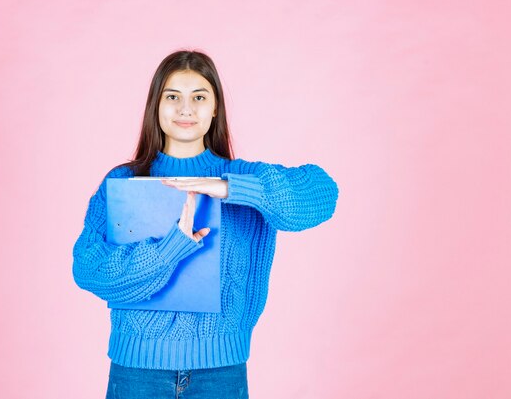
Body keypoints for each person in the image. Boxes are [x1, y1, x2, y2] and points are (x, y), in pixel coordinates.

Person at [72, 49, 339, 399]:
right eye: (173, 97)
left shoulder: (244, 179)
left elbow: (323, 194)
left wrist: (232, 187)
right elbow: (87, 269)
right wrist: (170, 249)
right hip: (137, 373)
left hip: (220, 373)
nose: (186, 108)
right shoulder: (123, 182)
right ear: (156, 106)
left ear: (215, 108)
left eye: (199, 97)